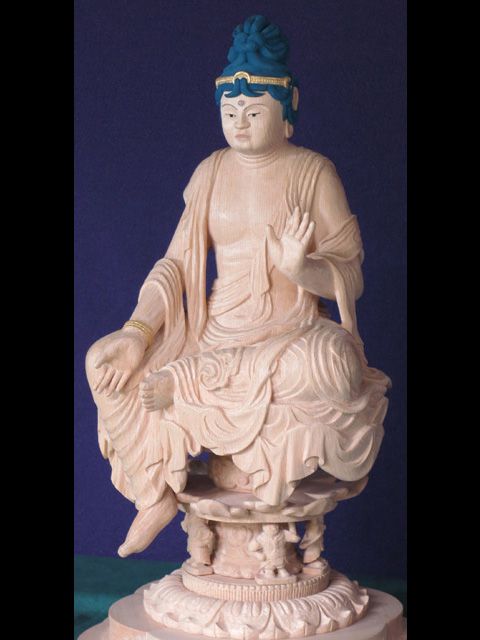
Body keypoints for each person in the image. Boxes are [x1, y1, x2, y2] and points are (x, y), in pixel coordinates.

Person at [85, 15, 390, 559]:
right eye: (230, 113)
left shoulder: (313, 173)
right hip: (215, 335)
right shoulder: (210, 173)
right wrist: (137, 332)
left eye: (254, 112)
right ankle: (155, 491)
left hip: (290, 338)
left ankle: (189, 391)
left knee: (332, 363)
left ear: (288, 110)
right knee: (102, 361)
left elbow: (351, 275)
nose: (240, 125)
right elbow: (175, 265)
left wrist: (304, 270)